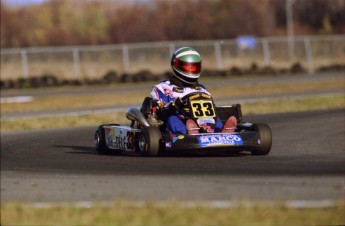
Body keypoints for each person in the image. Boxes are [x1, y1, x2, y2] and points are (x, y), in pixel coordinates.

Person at [149, 47, 237, 135]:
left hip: (200, 119)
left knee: (214, 117)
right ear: (175, 65)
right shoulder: (163, 87)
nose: (191, 70)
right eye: (187, 67)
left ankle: (223, 132)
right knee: (173, 119)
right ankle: (189, 133)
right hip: (176, 119)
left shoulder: (201, 89)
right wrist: (173, 104)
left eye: (194, 67)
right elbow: (157, 107)